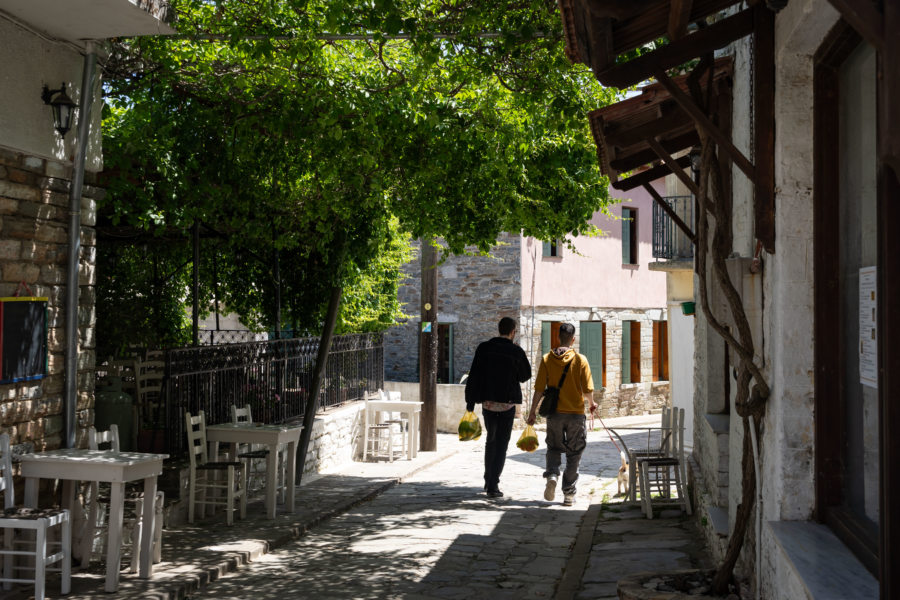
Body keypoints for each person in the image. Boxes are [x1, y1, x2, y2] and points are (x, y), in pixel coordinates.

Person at [526, 322, 596, 506]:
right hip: (575, 414)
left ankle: (552, 475)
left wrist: (533, 411)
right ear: (573, 339)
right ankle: (568, 494)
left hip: (554, 414)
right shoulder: (581, 360)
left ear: (558, 338)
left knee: (554, 448)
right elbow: (588, 389)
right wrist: (592, 404)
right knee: (574, 454)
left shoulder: (547, 359)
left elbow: (539, 389)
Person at [465, 317, 531, 498]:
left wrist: (470, 402)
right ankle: (494, 483)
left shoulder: (484, 348)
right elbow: (526, 375)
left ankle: (488, 478)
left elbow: (474, 376)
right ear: (513, 332)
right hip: (507, 404)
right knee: (502, 444)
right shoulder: (516, 351)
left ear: (499, 329)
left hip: (488, 403)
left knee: (491, 441)